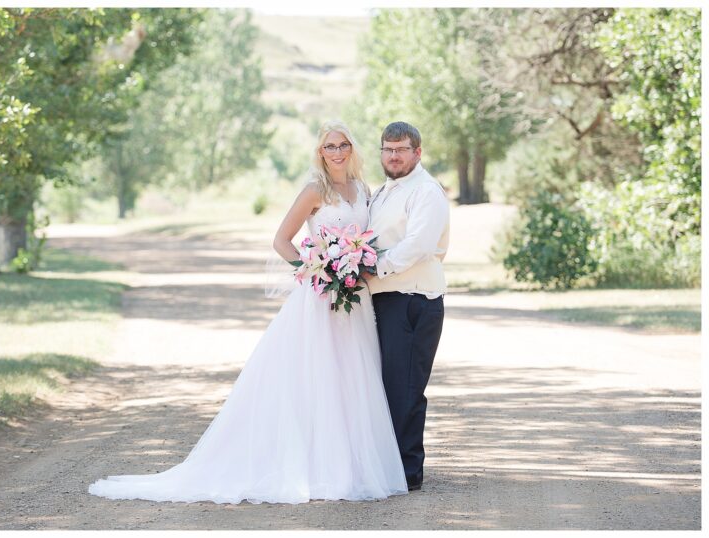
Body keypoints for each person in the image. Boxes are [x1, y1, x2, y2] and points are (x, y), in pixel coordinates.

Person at [88, 120, 408, 504]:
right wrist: (317, 269)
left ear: (352, 149)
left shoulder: (362, 189)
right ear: (320, 153)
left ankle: (351, 467)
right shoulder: (314, 191)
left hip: (353, 301)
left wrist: (351, 268)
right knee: (317, 377)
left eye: (342, 145)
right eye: (329, 147)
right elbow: (281, 240)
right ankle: (312, 467)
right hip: (321, 299)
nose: (337, 152)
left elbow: (363, 240)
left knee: (350, 379)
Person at [361, 121, 450, 492]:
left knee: (406, 388)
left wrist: (373, 268)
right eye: (388, 149)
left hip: (413, 300)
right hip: (385, 299)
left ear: (417, 152)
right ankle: (388, 466)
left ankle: (407, 472)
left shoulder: (426, 191)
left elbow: (418, 245)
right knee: (384, 386)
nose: (393, 156)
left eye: (401, 150)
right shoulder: (384, 191)